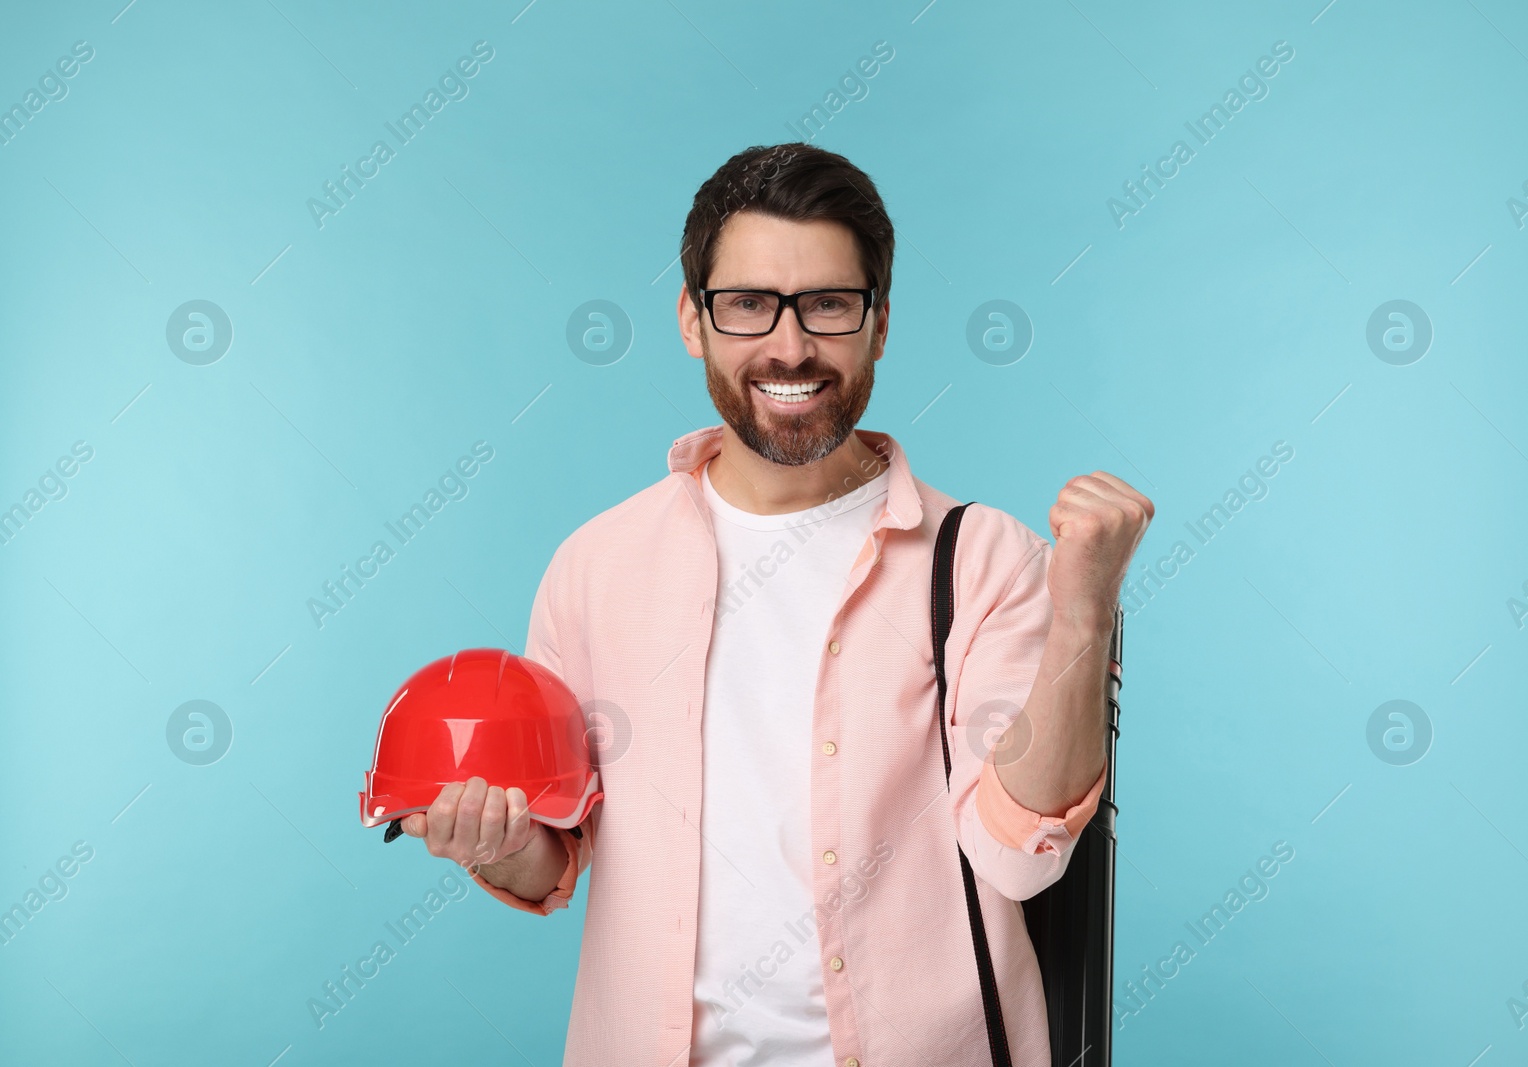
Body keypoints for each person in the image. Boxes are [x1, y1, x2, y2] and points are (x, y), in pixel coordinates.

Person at [401, 142, 1154, 1066]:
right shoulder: (594, 566)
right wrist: (495, 842)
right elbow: (559, 851)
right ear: (692, 319)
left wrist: (1085, 613)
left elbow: (1016, 856)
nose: (790, 346)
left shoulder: (986, 560)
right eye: (749, 304)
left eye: (829, 305)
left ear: (879, 325)